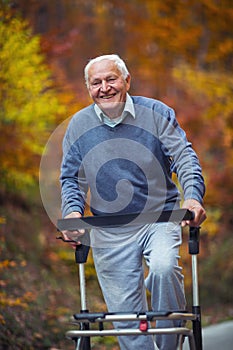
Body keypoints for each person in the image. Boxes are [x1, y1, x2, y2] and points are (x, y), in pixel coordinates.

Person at [60, 54, 206, 350]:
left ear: (127, 81)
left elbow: (184, 157)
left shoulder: (156, 112)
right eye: (96, 82)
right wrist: (73, 212)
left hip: (159, 218)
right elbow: (72, 179)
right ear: (88, 88)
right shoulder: (79, 125)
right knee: (125, 315)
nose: (104, 88)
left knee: (164, 269)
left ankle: (169, 347)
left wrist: (192, 197)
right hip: (109, 227)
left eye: (111, 79)